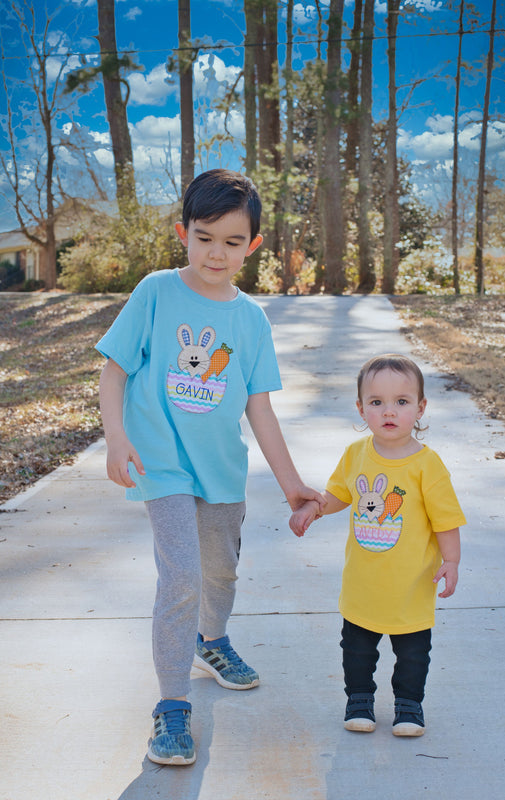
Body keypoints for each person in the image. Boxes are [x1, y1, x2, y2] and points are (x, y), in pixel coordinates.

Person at [96, 168, 323, 766]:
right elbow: (114, 371)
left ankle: (211, 640)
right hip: (162, 466)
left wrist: (292, 485)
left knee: (219, 573)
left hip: (221, 470)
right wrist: (116, 439)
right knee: (181, 578)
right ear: (183, 234)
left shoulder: (251, 320)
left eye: (231, 241)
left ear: (252, 245)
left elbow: (259, 408)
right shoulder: (155, 292)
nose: (215, 253)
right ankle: (172, 706)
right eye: (204, 238)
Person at [290, 354, 466, 737]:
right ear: (361, 408)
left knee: (413, 653)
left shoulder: (427, 465)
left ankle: (409, 705)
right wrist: (314, 508)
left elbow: (446, 520)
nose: (389, 411)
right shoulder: (356, 454)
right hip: (363, 585)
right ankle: (359, 701)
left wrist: (451, 560)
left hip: (412, 587)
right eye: (376, 402)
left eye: (401, 401)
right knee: (356, 649)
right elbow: (339, 494)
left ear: (420, 408)